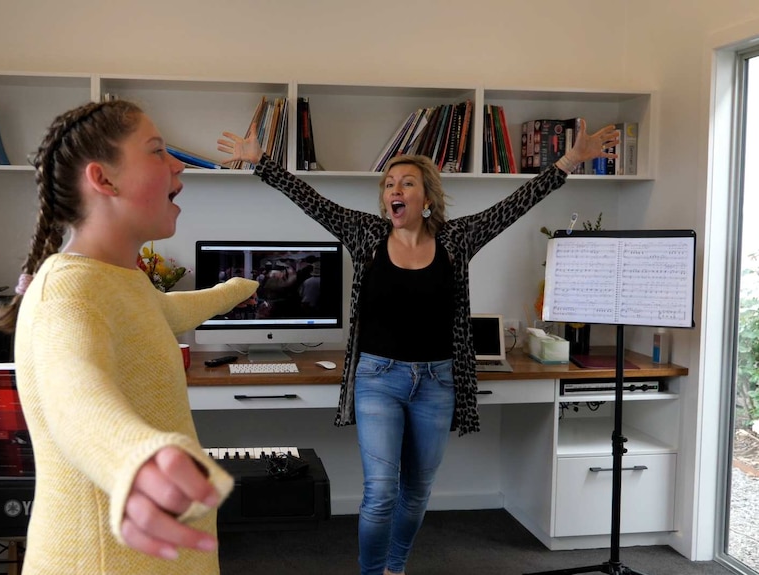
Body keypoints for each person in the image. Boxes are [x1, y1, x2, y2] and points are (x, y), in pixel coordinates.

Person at [217, 119, 618, 575]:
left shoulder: (456, 239)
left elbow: (515, 205)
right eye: (389, 183)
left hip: (437, 380)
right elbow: (311, 201)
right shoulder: (366, 234)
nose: (395, 188)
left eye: (407, 182)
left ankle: (395, 567)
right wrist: (261, 163)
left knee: (417, 490)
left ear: (427, 197)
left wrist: (568, 161)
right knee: (381, 491)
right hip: (377, 378)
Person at [0, 99, 258, 575]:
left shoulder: (117, 280)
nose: (178, 164)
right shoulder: (66, 291)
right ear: (104, 180)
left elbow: (159, 311)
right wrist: (134, 459)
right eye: (157, 152)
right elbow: (73, 391)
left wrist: (235, 290)